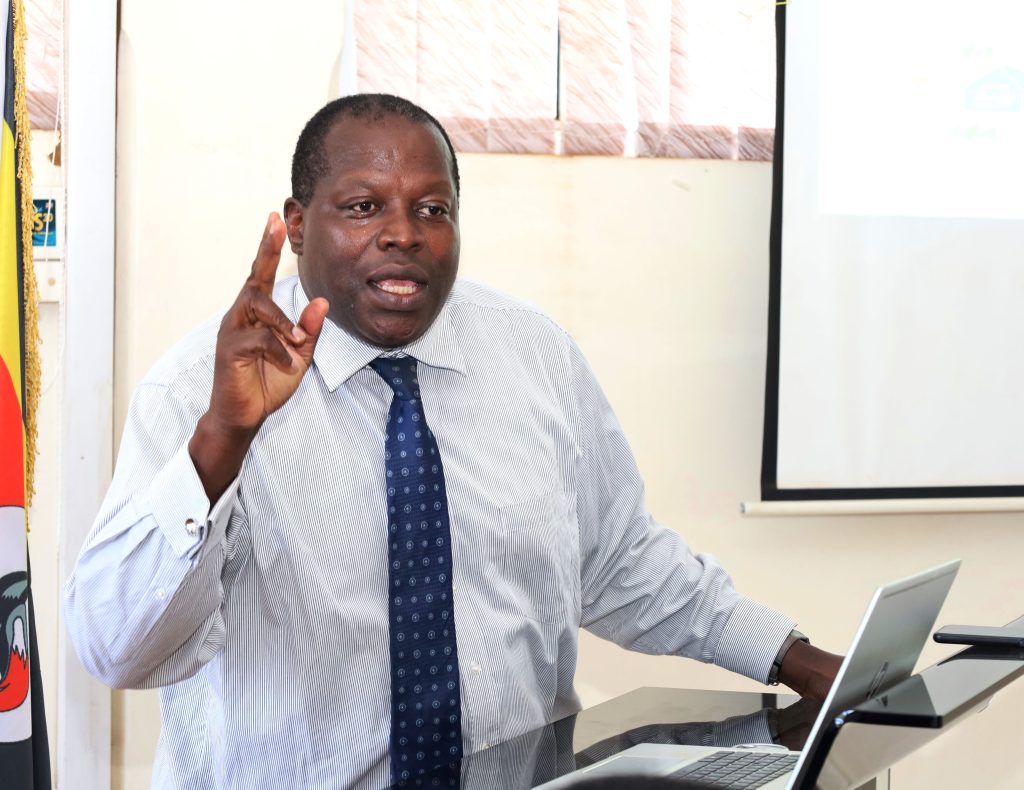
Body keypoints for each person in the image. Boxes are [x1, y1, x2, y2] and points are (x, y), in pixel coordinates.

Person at [63, 94, 841, 789]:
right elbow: (116, 649)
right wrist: (223, 438)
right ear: (298, 223)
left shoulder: (533, 354)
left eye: (432, 210)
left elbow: (617, 560)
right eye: (364, 207)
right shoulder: (202, 385)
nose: (403, 235)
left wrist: (793, 657)